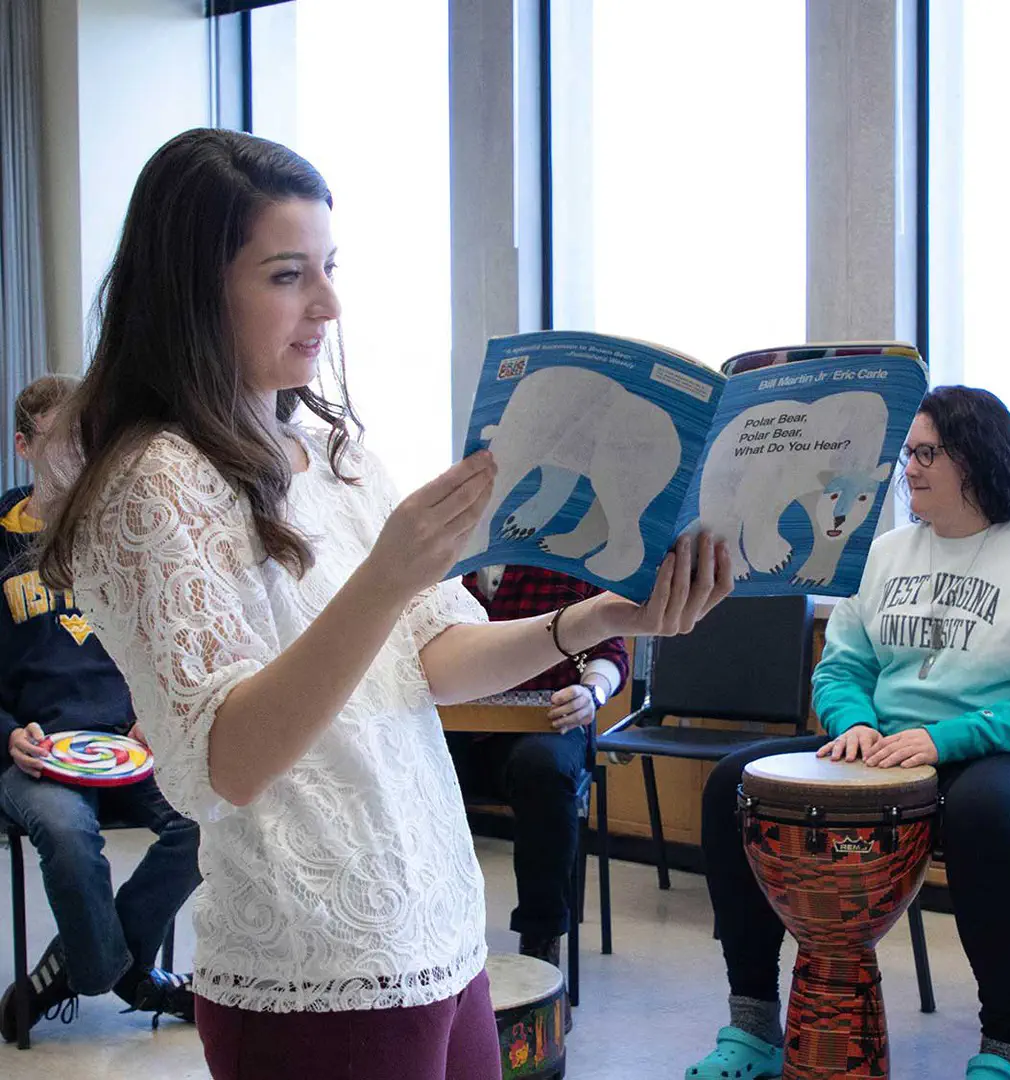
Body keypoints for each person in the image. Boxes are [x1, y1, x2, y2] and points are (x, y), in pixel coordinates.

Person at [35, 128, 731, 1079]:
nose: (326, 304)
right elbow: (228, 761)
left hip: (436, 922)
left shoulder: (335, 452)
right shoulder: (156, 482)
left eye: (329, 267)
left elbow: (440, 657)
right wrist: (386, 576)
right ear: (194, 291)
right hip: (313, 957)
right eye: (287, 275)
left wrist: (603, 618)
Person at [685, 386, 1010, 1080]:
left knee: (982, 814)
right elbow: (842, 666)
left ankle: (1004, 1051)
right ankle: (753, 1027)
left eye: (927, 452)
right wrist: (853, 724)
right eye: (907, 452)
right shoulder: (884, 555)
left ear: (978, 457)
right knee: (737, 784)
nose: (908, 467)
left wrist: (945, 741)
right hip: (889, 751)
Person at [0, 374, 199, 1043]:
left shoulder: (122, 533)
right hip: (35, 755)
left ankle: (87, 965)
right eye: (59, 441)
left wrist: (156, 706)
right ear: (24, 446)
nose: (77, 455)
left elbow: (164, 638)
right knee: (62, 833)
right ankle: (125, 973)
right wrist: (7, 737)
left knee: (208, 816)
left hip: (130, 743)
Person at [448, 564, 630, 967]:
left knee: (542, 768)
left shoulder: (568, 555)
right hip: (459, 723)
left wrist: (591, 693)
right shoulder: (451, 562)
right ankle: (429, 931)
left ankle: (541, 942)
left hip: (549, 723)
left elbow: (609, 652)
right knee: (409, 756)